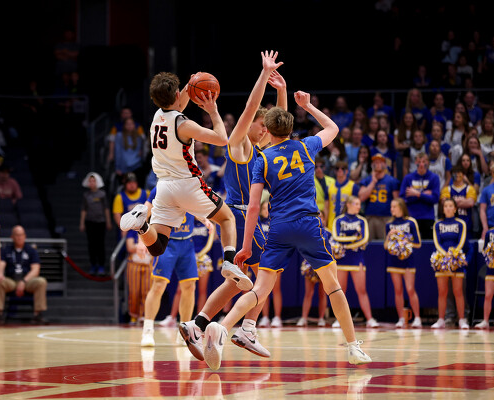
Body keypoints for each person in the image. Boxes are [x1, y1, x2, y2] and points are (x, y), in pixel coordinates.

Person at [201, 91, 372, 371]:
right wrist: (308, 106)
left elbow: (253, 208)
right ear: (291, 129)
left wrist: (245, 246)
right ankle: (353, 347)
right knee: (333, 286)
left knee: (260, 289)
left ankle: (223, 326)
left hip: (279, 227)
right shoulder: (306, 146)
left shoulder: (263, 158)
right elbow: (333, 128)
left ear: (268, 131)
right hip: (308, 224)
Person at [179, 51, 284, 361]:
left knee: (236, 282)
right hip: (239, 216)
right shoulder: (239, 144)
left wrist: (281, 90)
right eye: (261, 125)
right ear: (249, 125)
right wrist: (264, 75)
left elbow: (280, 125)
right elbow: (251, 107)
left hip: (239, 219)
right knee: (269, 271)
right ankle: (246, 328)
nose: (265, 129)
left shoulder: (262, 147)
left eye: (267, 127)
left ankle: (197, 325)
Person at [120, 66, 259, 295]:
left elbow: (176, 104)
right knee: (226, 218)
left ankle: (142, 225)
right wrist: (213, 110)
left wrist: (190, 84)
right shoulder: (184, 123)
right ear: (176, 95)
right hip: (187, 183)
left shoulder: (157, 116)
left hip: (164, 187)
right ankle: (229, 261)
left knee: (157, 247)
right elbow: (222, 139)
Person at [141, 188, 199, 347]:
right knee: (158, 285)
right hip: (167, 242)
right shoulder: (160, 187)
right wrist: (141, 240)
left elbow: (200, 207)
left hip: (187, 242)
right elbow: (144, 213)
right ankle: (147, 331)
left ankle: (184, 332)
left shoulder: (192, 185)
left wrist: (206, 220)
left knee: (190, 286)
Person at [331, 196, 379, 328]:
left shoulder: (362, 220)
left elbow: (364, 239)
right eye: (356, 204)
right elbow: (335, 237)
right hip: (342, 259)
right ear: (349, 204)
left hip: (357, 259)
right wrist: (353, 239)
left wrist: (345, 244)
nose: (359, 206)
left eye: (359, 204)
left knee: (362, 290)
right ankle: (339, 320)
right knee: (340, 291)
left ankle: (370, 319)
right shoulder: (338, 220)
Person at [0, 226, 48, 325]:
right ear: (12, 237)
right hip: (12, 280)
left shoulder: (31, 250)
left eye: (21, 235)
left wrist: (24, 281)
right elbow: (1, 264)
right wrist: (0, 274)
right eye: (17, 235)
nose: (19, 237)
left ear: (25, 236)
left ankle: (38, 315)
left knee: (41, 281)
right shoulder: (6, 250)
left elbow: (35, 269)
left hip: (27, 281)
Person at [431, 198, 469, 330]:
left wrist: (453, 254)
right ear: (443, 209)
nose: (447, 208)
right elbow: (437, 242)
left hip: (456, 259)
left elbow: (461, 240)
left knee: (458, 291)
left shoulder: (461, 223)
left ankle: (462, 320)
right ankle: (441, 319)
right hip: (442, 260)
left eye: (450, 206)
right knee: (442, 292)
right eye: (445, 206)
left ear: (455, 209)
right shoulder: (437, 224)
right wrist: (445, 254)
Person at [385, 198, 422, 328]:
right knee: (398, 290)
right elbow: (386, 246)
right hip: (393, 261)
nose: (392, 209)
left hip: (408, 261)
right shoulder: (389, 224)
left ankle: (417, 318)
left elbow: (418, 243)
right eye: (391, 207)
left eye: (394, 206)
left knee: (410, 289)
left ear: (401, 207)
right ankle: (401, 318)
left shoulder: (411, 222)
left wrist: (405, 242)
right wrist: (389, 236)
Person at [358, 153, 400, 239]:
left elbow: (397, 201)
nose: (377, 164)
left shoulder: (392, 181)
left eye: (380, 162)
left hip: (386, 217)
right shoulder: (367, 180)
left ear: (385, 164)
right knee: (368, 244)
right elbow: (361, 198)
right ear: (372, 165)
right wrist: (373, 182)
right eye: (375, 162)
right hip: (370, 217)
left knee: (386, 242)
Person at [400, 152, 440, 240]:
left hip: (428, 217)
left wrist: (417, 193)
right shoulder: (408, 178)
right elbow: (403, 200)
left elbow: (435, 199)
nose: (421, 164)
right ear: (415, 163)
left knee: (428, 244)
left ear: (428, 163)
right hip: (412, 217)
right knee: (411, 244)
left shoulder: (434, 178)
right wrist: (424, 195)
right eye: (419, 162)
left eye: (424, 162)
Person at [80, 172, 112, 275]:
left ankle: (101, 265)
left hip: (101, 222)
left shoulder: (102, 194)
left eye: (93, 181)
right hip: (90, 222)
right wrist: (82, 223)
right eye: (90, 181)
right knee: (91, 245)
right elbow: (84, 209)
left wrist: (108, 221)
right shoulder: (86, 195)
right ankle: (93, 265)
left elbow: (106, 208)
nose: (92, 183)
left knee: (100, 244)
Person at [112, 172, 148, 240]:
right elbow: (117, 214)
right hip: (128, 229)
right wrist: (123, 228)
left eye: (134, 182)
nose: (132, 185)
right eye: (129, 183)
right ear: (125, 184)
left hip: (143, 228)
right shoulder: (120, 197)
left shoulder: (146, 193)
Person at [326, 161, 359, 229]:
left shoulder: (353, 186)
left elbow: (355, 206)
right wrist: (325, 222)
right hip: (331, 224)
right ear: (335, 171)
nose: (340, 170)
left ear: (346, 171)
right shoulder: (329, 187)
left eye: (342, 168)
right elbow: (326, 207)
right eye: (337, 168)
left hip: (348, 225)